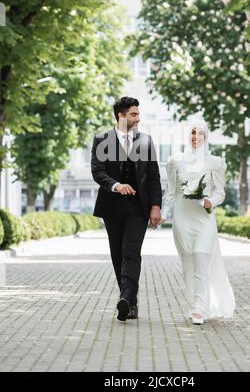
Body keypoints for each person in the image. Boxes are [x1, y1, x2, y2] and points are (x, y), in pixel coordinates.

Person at [91, 97, 162, 321]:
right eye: (133, 114)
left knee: (131, 252)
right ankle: (130, 301)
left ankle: (126, 299)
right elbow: (97, 171)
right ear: (121, 116)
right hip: (112, 206)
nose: (138, 118)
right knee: (116, 255)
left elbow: (153, 177)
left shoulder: (146, 141)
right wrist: (116, 185)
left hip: (137, 208)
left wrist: (156, 206)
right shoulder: (102, 139)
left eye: (138, 114)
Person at [160, 119, 235, 324]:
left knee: (201, 261)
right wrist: (163, 212)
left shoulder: (216, 163)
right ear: (187, 136)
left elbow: (220, 192)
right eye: (192, 133)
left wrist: (211, 201)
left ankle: (199, 308)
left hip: (205, 221)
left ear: (206, 137)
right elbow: (171, 192)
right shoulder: (175, 162)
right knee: (189, 264)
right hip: (182, 221)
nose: (196, 137)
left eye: (200, 133)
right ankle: (194, 302)